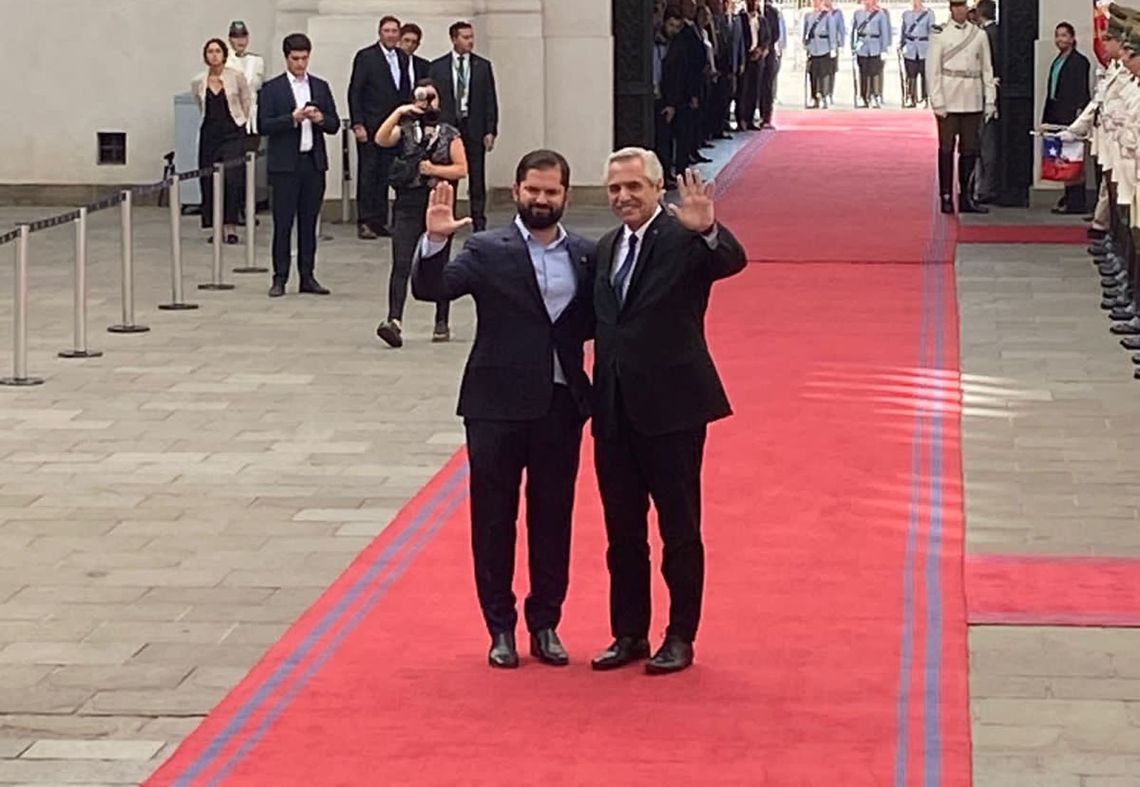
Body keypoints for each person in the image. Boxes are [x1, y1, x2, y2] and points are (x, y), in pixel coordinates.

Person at [410, 152, 596, 669]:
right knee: (494, 520)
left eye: (551, 192)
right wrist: (436, 241)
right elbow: (431, 289)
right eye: (532, 190)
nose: (541, 199)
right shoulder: (488, 249)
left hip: (560, 405)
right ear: (516, 191)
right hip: (494, 407)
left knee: (553, 517)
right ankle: (500, 627)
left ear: (566, 196)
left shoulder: (586, 254)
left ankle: (546, 622)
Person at [589, 153, 747, 676]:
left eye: (634, 186)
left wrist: (709, 230)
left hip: (673, 408)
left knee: (679, 529)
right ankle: (629, 632)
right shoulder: (606, 248)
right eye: (614, 188)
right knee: (623, 531)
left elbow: (729, 261)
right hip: (613, 409)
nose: (623, 197)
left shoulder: (683, 237)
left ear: (658, 188)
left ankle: (681, 635)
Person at [374, 80, 467, 347]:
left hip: (438, 203)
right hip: (407, 203)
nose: (428, 103)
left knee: (440, 264)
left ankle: (441, 320)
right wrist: (401, 111)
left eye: (432, 97)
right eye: (423, 97)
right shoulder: (405, 130)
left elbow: (461, 169)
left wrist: (434, 170)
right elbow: (381, 138)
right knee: (401, 262)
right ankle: (394, 319)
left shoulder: (449, 133)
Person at [258, 33, 340, 297]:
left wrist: (319, 118)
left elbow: (334, 124)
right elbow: (263, 125)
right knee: (283, 223)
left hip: (312, 163)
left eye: (304, 58)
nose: (300, 64)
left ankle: (308, 275)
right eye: (295, 59)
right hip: (284, 166)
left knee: (309, 222)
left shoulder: (320, 86)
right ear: (286, 58)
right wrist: (291, 118)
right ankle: (280, 276)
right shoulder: (272, 89)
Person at [1059, 14, 1128, 238]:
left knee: (1128, 206)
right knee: (1112, 194)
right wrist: (1074, 130)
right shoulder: (1114, 71)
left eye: (1108, 39)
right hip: (1113, 143)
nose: (1103, 44)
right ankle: (1111, 240)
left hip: (1127, 148)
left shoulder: (1125, 75)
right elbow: (1097, 104)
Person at [927, 0, 996, 214]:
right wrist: (937, 101)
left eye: (963, 5)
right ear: (951, 8)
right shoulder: (940, 35)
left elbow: (987, 70)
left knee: (969, 150)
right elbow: (933, 71)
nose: (960, 9)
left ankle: (965, 196)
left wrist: (990, 99)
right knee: (946, 149)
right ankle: (946, 195)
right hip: (949, 97)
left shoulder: (979, 35)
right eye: (956, 6)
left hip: (972, 97)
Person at [430, 21, 499, 232]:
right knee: (448, 174)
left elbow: (490, 98)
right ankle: (445, 216)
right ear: (454, 39)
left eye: (471, 37)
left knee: (477, 174)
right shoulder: (438, 66)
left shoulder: (482, 66)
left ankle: (479, 220)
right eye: (465, 37)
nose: (470, 41)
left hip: (474, 125)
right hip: (449, 125)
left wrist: (490, 129)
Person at [348, 16, 412, 240]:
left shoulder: (403, 58)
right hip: (370, 125)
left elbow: (404, 90)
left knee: (387, 173)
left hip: (393, 127)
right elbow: (355, 91)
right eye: (387, 31)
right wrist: (358, 123)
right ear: (380, 33)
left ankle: (379, 220)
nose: (391, 35)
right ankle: (365, 220)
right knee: (368, 173)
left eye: (395, 31)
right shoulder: (366, 57)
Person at [191, 38, 251, 245]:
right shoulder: (199, 80)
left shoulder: (236, 77)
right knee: (208, 179)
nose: (214, 55)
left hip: (232, 131)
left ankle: (231, 226)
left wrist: (242, 122)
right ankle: (215, 227)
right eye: (210, 51)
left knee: (231, 179)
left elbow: (246, 100)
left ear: (224, 55)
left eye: (218, 51)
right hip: (210, 132)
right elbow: (200, 102)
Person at [1043, 22, 1093, 214]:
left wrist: (1078, 114)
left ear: (1072, 38)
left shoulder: (1079, 61)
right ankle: (1068, 196)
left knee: (1074, 157)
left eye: (1064, 35)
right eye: (1057, 35)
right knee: (1063, 158)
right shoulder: (1058, 60)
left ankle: (1076, 201)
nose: (1060, 39)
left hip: (1071, 113)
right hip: (1057, 111)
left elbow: (1081, 90)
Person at [973, 0, 1001, 204]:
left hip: (987, 94)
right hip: (993, 92)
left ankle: (985, 188)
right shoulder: (996, 32)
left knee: (985, 145)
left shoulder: (985, 35)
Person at [738, 0, 771, 130]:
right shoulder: (741, 19)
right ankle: (742, 119)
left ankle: (751, 119)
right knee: (743, 90)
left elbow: (768, 38)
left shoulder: (762, 21)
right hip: (745, 58)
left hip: (758, 60)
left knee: (754, 90)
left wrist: (761, 50)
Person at [227, 21, 265, 134]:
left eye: (243, 36)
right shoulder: (226, 62)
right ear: (230, 39)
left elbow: (258, 86)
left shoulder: (256, 61)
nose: (240, 41)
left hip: (252, 115)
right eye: (236, 37)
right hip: (232, 115)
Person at [852, 0, 891, 109]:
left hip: (875, 45)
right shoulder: (858, 13)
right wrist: (853, 47)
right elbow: (854, 31)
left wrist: (884, 49)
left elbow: (884, 31)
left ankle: (875, 95)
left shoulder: (880, 14)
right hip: (862, 44)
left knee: (875, 72)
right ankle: (863, 97)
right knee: (863, 72)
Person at [900, 1, 933, 107]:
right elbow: (903, 30)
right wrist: (901, 44)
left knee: (924, 74)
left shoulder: (928, 13)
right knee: (910, 74)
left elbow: (931, 31)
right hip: (910, 47)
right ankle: (910, 97)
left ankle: (924, 98)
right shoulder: (906, 13)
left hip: (924, 47)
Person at [804, 0, 835, 109]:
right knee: (813, 74)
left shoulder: (827, 16)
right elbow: (806, 33)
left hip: (824, 47)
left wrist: (832, 48)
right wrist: (806, 46)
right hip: (813, 48)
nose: (816, 3)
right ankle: (814, 97)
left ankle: (824, 95)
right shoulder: (808, 15)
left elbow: (832, 32)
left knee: (824, 74)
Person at [759, 0, 784, 127]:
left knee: (767, 85)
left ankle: (766, 117)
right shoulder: (747, 10)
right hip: (752, 54)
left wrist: (765, 47)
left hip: (768, 52)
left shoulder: (772, 12)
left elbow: (776, 33)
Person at [826, 0, 847, 104]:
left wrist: (841, 44)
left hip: (833, 46)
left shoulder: (837, 13)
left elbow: (841, 29)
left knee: (831, 70)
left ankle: (829, 92)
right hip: (822, 44)